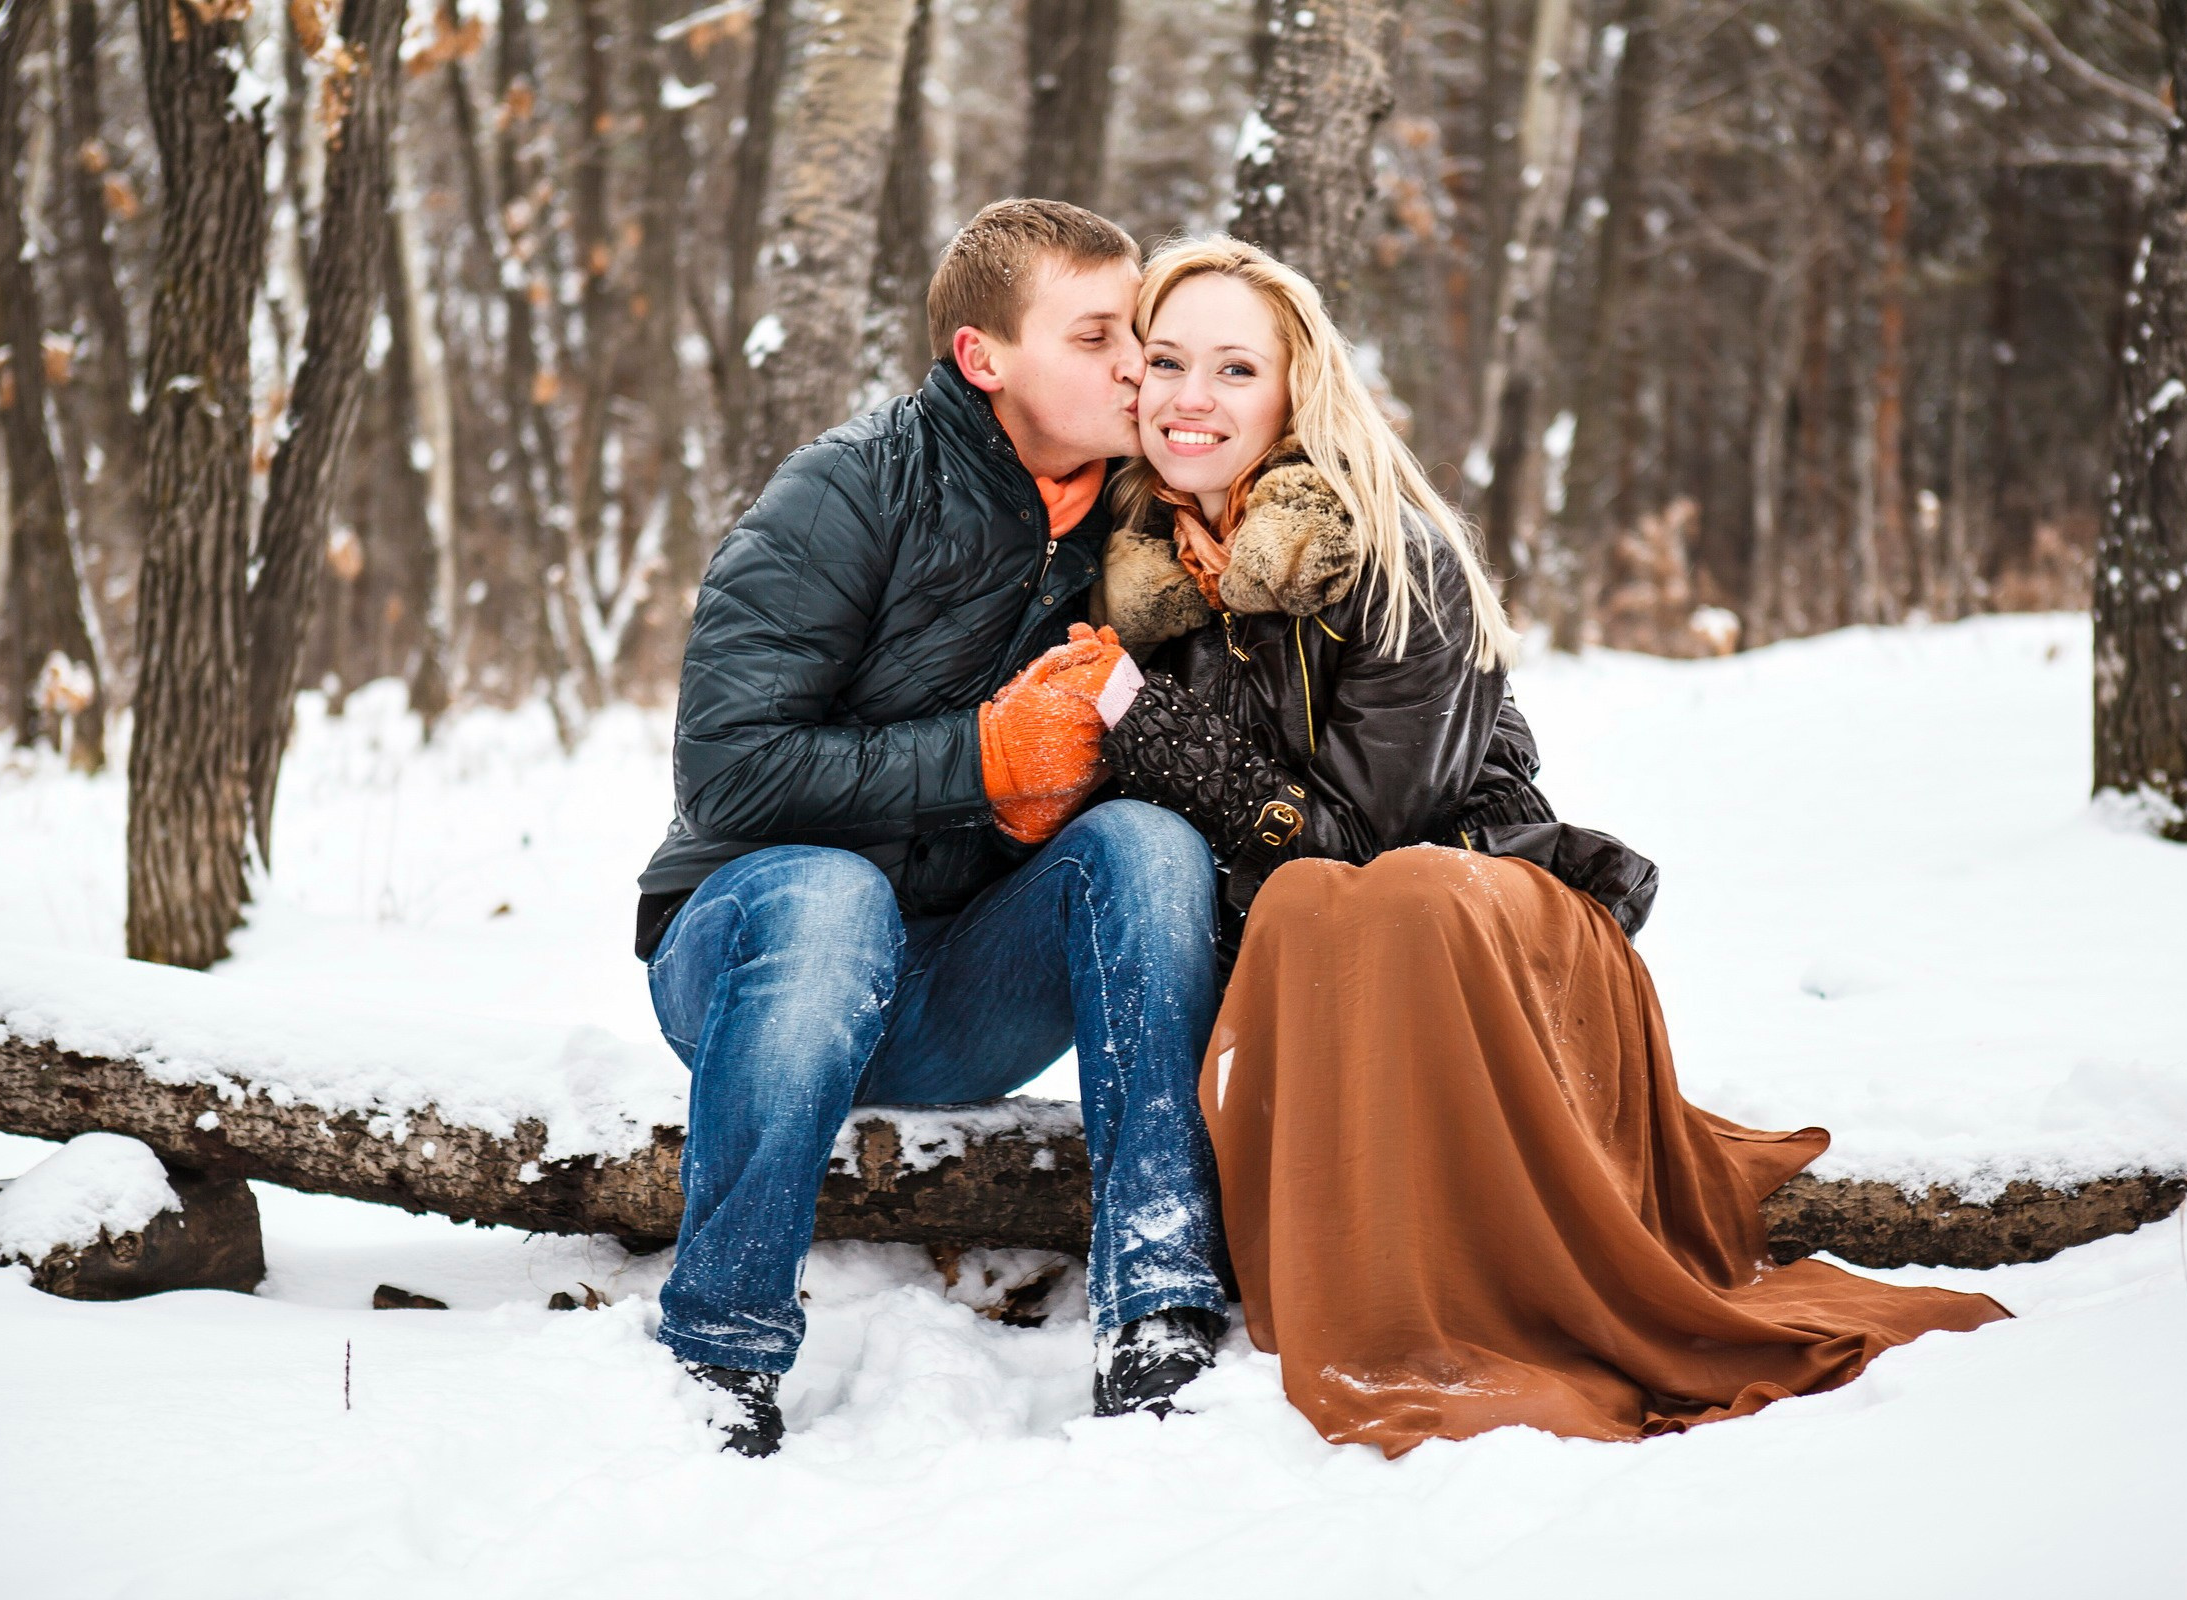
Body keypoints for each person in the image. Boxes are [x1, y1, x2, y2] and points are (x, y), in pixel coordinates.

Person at [1051, 236, 2011, 1456]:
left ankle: (1489, 1299)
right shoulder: (1136, 581)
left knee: (1367, 896)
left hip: (1484, 919)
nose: (1194, 398)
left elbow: (1360, 834)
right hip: (1323, 959)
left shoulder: (1396, 555)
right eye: (1170, 361)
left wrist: (1154, 728)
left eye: (1236, 368)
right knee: (1306, 911)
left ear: (1299, 389)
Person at [635, 201, 1230, 1458]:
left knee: (1145, 848)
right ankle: (719, 1354)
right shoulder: (847, 488)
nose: (1139, 363)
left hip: (958, 995)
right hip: (755, 964)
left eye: (1139, 330)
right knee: (830, 897)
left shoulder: (1144, 529)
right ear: (984, 357)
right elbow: (725, 771)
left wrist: (1036, 808)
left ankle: (1159, 1315)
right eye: (1097, 335)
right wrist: (978, 758)